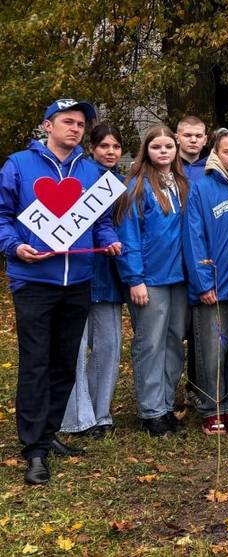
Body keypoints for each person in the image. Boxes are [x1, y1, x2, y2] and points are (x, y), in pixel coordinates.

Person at [1, 99, 121, 485]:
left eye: (81, 124)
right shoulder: (18, 165)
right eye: (67, 122)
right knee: (36, 362)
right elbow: (2, 216)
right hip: (34, 281)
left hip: (78, 282)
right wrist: (14, 247)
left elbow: (101, 221)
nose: (75, 129)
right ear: (47, 126)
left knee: (65, 362)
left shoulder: (90, 171)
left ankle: (49, 431)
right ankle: (33, 449)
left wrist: (110, 239)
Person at [115, 125, 189, 437]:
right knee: (150, 343)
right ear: (147, 150)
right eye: (157, 147)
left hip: (180, 278)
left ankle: (166, 403)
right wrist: (135, 278)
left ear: (175, 150)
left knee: (174, 342)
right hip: (150, 279)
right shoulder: (137, 185)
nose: (163, 152)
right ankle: (151, 410)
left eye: (168, 147)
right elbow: (128, 234)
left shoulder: (182, 184)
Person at [182, 131, 228, 435]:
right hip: (215, 284)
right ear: (216, 154)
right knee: (213, 348)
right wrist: (202, 283)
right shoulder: (201, 188)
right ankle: (212, 406)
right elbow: (193, 236)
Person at [60, 123, 127, 439]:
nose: (110, 152)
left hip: (111, 276)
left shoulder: (123, 183)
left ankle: (101, 413)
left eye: (116, 147)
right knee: (76, 347)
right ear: (93, 148)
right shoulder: (81, 177)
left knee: (109, 346)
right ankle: (77, 416)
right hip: (79, 273)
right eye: (104, 147)